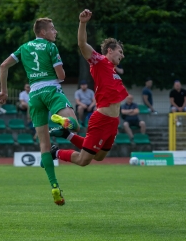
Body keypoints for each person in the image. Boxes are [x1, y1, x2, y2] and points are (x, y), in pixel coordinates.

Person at [0, 17, 79, 206]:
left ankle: (54, 186)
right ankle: (61, 122)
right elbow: (61, 76)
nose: (55, 31)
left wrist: (4, 91)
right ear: (43, 32)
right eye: (52, 28)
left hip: (34, 95)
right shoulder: (51, 47)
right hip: (51, 89)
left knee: (44, 144)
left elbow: (3, 65)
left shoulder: (24, 47)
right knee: (75, 124)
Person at [49, 10, 128, 170]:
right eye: (120, 51)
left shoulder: (113, 71)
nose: (122, 55)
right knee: (83, 160)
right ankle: (55, 153)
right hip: (102, 119)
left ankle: (67, 134)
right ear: (109, 51)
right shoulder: (99, 62)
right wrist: (83, 23)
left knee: (99, 156)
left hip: (113, 122)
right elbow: (82, 45)